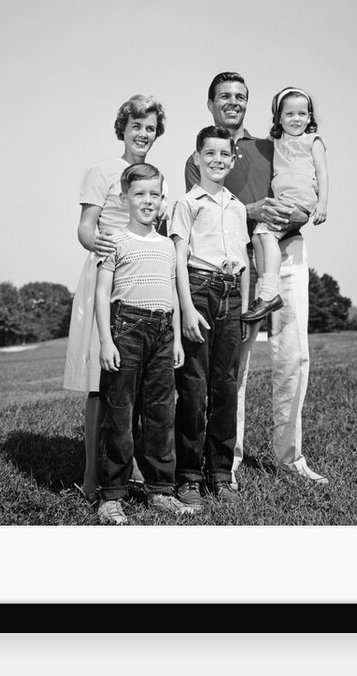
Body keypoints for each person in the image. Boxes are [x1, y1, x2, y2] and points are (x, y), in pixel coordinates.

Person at [184, 72, 328, 486]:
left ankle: (290, 458)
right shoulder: (201, 156)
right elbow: (208, 209)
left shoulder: (273, 144)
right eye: (224, 96)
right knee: (236, 363)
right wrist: (255, 210)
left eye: (240, 96)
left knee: (293, 356)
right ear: (210, 103)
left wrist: (302, 210)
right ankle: (228, 460)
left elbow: (307, 182)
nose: (233, 102)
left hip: (289, 252)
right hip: (237, 261)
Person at [63, 95, 169, 505]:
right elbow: (85, 229)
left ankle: (135, 469)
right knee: (100, 384)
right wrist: (104, 247)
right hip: (106, 277)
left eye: (150, 128)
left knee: (139, 384)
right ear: (123, 128)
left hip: (142, 282)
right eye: (137, 126)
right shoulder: (102, 172)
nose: (143, 134)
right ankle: (92, 475)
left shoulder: (155, 179)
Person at [94, 163, 193, 525]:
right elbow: (102, 293)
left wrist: (178, 340)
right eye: (139, 194)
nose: (147, 200)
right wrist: (107, 341)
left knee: (160, 415)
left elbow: (173, 294)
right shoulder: (115, 241)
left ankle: (160, 490)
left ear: (163, 199)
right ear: (125, 199)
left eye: (154, 194)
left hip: (163, 333)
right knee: (120, 413)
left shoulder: (168, 246)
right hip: (126, 329)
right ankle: (112, 496)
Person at [170, 125, 250, 509]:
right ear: (197, 158)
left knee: (226, 388)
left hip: (231, 296)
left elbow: (245, 261)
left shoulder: (236, 207)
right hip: (199, 293)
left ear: (232, 160)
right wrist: (186, 308)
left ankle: (220, 475)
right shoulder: (187, 203)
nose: (218, 160)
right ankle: (187, 477)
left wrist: (246, 310)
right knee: (194, 388)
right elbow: (179, 261)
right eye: (210, 154)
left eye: (224, 154)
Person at [241, 86, 329, 323]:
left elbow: (322, 172)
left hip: (298, 198)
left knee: (265, 233)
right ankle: (266, 290)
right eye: (289, 114)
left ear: (310, 116)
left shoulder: (313, 141)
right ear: (278, 117)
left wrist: (322, 204)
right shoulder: (277, 140)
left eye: (302, 113)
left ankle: (268, 293)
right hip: (284, 198)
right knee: (260, 234)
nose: (296, 119)